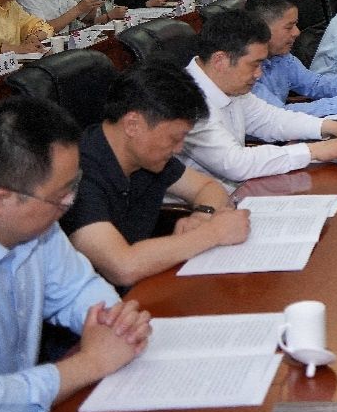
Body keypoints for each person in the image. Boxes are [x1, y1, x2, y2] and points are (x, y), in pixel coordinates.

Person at [0, 97, 151, 412]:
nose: (69, 204)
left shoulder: (34, 227)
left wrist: (116, 323)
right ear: (1, 201)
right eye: (61, 197)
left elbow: (78, 290)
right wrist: (91, 362)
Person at [61, 63, 251, 288]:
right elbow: (122, 266)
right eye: (174, 139)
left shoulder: (144, 155)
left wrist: (201, 217)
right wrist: (214, 232)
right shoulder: (75, 174)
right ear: (133, 124)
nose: (178, 149)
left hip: (146, 285)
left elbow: (208, 187)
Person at [177, 10, 337, 183]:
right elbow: (235, 164)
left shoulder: (229, 84)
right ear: (220, 60)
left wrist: (330, 127)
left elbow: (271, 119)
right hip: (211, 205)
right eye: (254, 64)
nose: (258, 74)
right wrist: (313, 151)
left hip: (247, 187)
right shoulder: (185, 99)